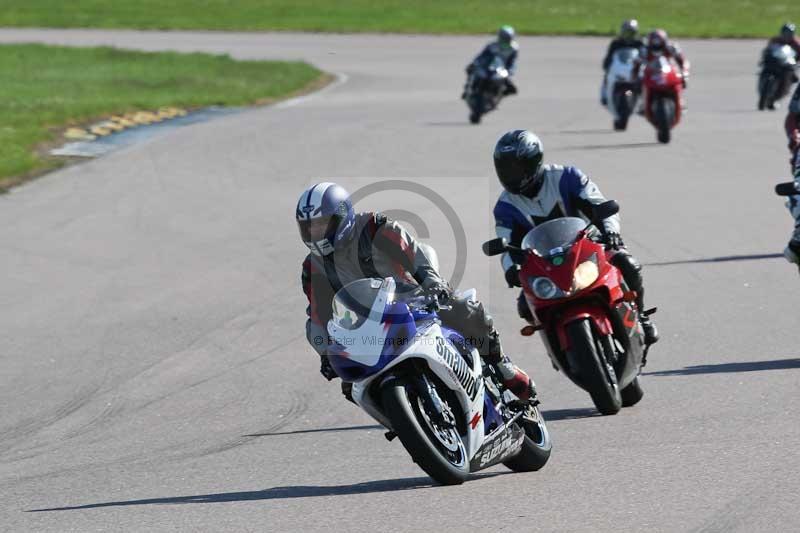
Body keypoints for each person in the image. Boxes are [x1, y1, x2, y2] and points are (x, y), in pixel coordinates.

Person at [297, 182, 535, 401]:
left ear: (341, 216)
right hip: (367, 329)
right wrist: (326, 352)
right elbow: (319, 317)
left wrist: (434, 284)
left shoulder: (373, 227)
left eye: (321, 224)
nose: (315, 232)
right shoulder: (312, 267)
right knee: (351, 384)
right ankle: (404, 418)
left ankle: (503, 367)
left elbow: (413, 255)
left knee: (463, 311)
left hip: (413, 303)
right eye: (309, 227)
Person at [490, 130, 659, 346]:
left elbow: (598, 203)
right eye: (505, 169)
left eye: (516, 168)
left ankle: (641, 317)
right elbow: (506, 244)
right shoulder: (504, 206)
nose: (510, 175)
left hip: (589, 247)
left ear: (534, 161)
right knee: (525, 305)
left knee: (627, 263)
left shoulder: (568, 177)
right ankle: (556, 344)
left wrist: (611, 231)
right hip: (544, 265)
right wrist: (511, 269)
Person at [463, 25, 519, 98]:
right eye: (504, 37)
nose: (505, 40)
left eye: (507, 38)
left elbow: (512, 61)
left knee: (507, 80)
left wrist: (509, 71)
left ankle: (505, 90)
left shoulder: (513, 48)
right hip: (488, 65)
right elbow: (481, 56)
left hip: (501, 67)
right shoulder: (492, 45)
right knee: (471, 70)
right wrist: (474, 63)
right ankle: (467, 89)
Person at [600, 19, 645, 106]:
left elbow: (645, 56)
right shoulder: (616, 43)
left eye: (631, 33)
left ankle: (642, 98)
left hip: (634, 69)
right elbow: (609, 56)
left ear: (635, 33)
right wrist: (607, 65)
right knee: (607, 76)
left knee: (643, 80)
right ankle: (605, 95)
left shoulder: (639, 43)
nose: (628, 36)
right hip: (620, 67)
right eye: (626, 33)